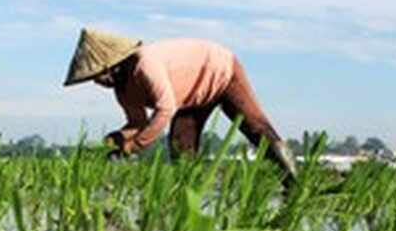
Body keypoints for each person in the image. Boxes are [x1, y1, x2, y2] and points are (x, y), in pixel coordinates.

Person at [62, 29, 297, 184]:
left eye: (99, 74)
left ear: (112, 64)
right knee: (179, 148)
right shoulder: (122, 91)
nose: (98, 82)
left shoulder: (145, 65)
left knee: (255, 128)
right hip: (189, 97)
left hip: (220, 69)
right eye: (93, 79)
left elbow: (165, 109)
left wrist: (135, 146)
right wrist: (120, 138)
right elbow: (138, 123)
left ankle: (294, 184)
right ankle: (189, 196)